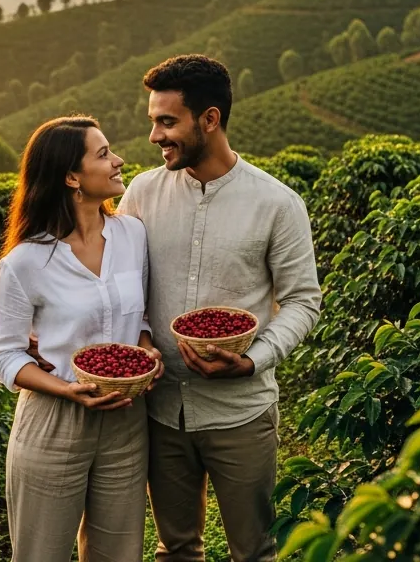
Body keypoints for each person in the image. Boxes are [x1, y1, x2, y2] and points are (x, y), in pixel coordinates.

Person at [117, 54, 322, 562]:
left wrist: (253, 360)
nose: (155, 136)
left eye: (168, 122)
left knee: (254, 551)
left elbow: (303, 301)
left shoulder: (277, 204)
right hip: (162, 411)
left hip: (241, 414)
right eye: (153, 121)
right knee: (175, 549)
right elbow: (120, 287)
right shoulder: (142, 193)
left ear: (209, 119)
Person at [0, 116, 163, 562]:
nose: (118, 160)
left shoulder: (132, 235)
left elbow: (139, 315)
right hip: (55, 419)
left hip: (125, 419)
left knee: (119, 553)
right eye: (103, 154)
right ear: (71, 177)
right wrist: (68, 390)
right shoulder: (25, 262)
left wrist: (145, 348)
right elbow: (5, 355)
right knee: (40, 553)